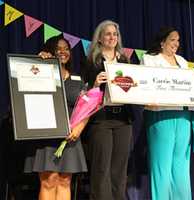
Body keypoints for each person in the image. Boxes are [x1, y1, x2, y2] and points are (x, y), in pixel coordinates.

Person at [24, 35, 87, 200]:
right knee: (49, 181)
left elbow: (87, 108)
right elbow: (26, 84)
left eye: (66, 49)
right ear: (50, 51)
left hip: (70, 136)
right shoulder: (42, 72)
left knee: (65, 181)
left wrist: (79, 128)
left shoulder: (77, 79)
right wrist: (39, 63)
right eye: (58, 49)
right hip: (47, 134)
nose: (63, 52)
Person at [141, 27, 194, 200]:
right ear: (162, 42)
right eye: (172, 39)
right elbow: (144, 85)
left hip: (183, 116)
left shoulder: (182, 60)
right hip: (161, 116)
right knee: (162, 166)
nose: (176, 43)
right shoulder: (149, 59)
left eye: (178, 40)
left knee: (181, 166)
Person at [82, 20, 135, 200]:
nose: (112, 37)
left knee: (119, 170)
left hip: (123, 120)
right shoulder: (92, 61)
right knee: (101, 169)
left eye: (115, 34)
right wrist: (96, 83)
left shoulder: (125, 60)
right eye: (108, 34)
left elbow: (134, 88)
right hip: (101, 120)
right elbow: (85, 94)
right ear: (99, 39)